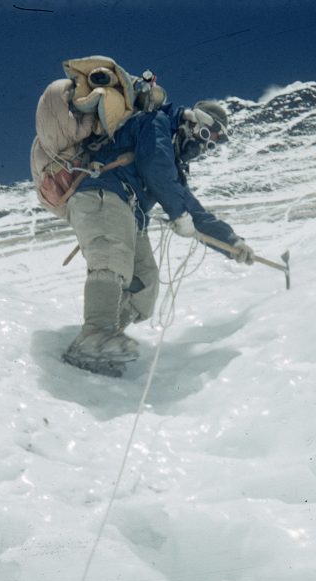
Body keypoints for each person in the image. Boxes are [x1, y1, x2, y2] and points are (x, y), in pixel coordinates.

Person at [62, 100, 255, 376]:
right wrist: (177, 213)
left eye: (209, 145)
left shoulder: (172, 161)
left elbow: (190, 207)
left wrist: (232, 244)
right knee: (112, 256)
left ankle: (106, 343)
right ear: (192, 120)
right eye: (203, 136)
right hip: (102, 193)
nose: (202, 147)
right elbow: (155, 166)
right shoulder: (155, 123)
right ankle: (95, 335)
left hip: (130, 212)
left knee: (146, 284)